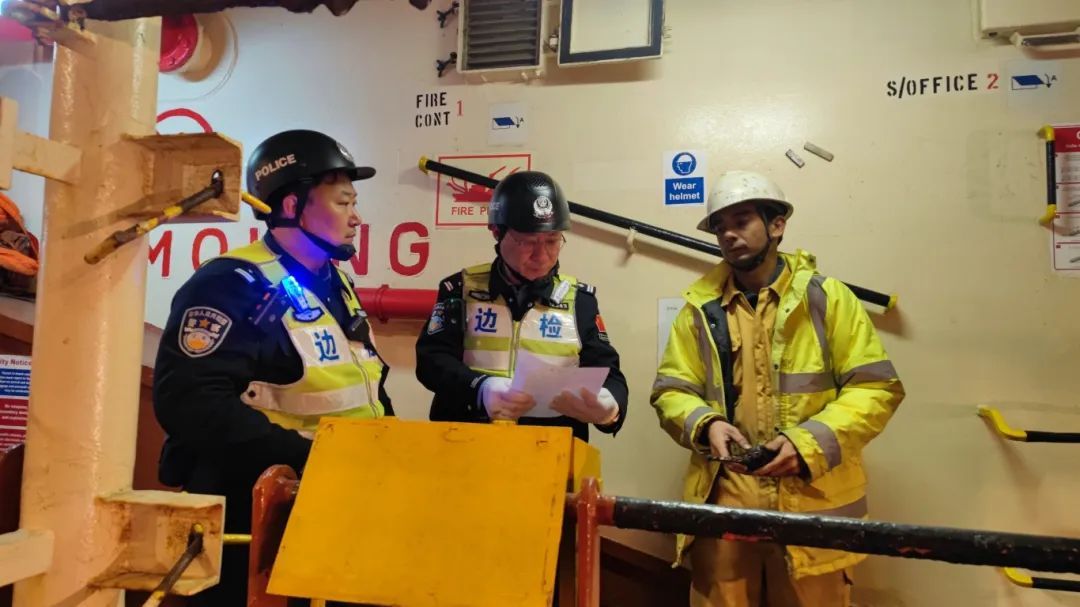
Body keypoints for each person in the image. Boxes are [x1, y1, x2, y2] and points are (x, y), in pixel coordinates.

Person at [153, 129, 393, 605]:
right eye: (343, 202)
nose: (356, 217)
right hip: (264, 513)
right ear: (290, 206)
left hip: (337, 499)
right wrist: (310, 457)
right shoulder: (231, 282)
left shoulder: (333, 280)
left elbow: (366, 381)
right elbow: (190, 401)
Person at [651, 170, 904, 606]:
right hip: (726, 506)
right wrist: (706, 423)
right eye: (720, 226)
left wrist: (807, 444)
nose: (729, 234)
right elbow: (671, 390)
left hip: (812, 509)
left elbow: (876, 388)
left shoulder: (829, 300)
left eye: (742, 221)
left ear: (777, 225)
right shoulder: (698, 309)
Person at [415, 170, 628, 441]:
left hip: (550, 450)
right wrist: (480, 388)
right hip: (466, 444)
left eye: (552, 241)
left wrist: (611, 407)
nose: (542, 255)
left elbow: (609, 374)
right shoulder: (461, 290)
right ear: (496, 232)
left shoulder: (580, 301)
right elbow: (431, 361)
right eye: (528, 241)